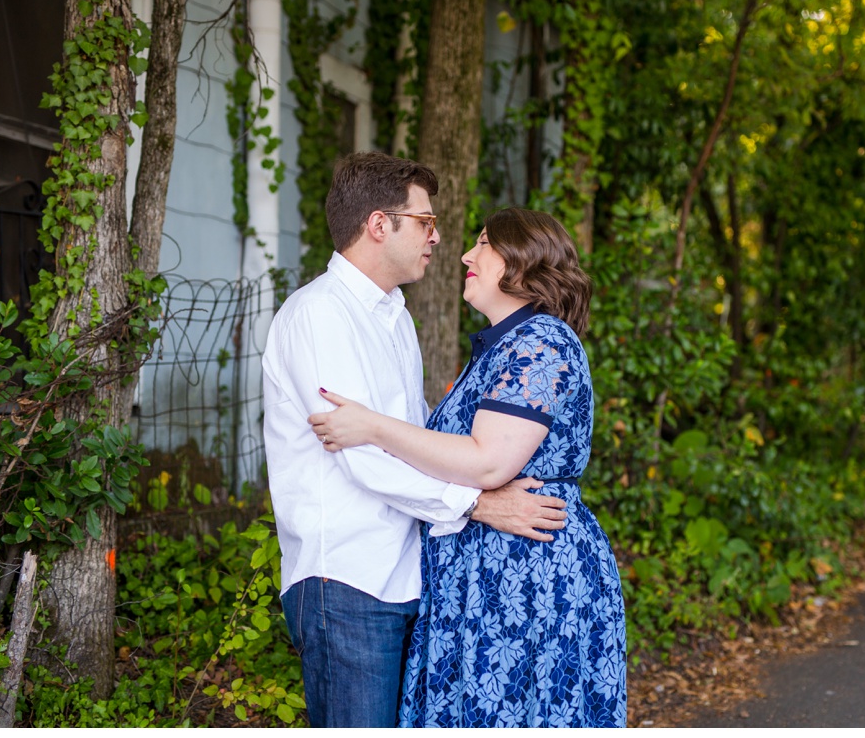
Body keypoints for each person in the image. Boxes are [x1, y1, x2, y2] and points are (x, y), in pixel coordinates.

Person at [262, 153, 570, 729]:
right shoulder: (321, 315)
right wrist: (478, 503)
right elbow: (366, 460)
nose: (438, 238)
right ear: (381, 225)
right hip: (346, 581)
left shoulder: (394, 317)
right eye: (425, 222)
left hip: (407, 574)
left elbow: (414, 437)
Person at [308, 207, 628, 727]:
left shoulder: (541, 343)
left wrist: (373, 426)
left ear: (521, 263)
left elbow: (486, 462)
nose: (464, 255)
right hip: (489, 570)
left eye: (483, 243)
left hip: (527, 575)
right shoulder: (503, 349)